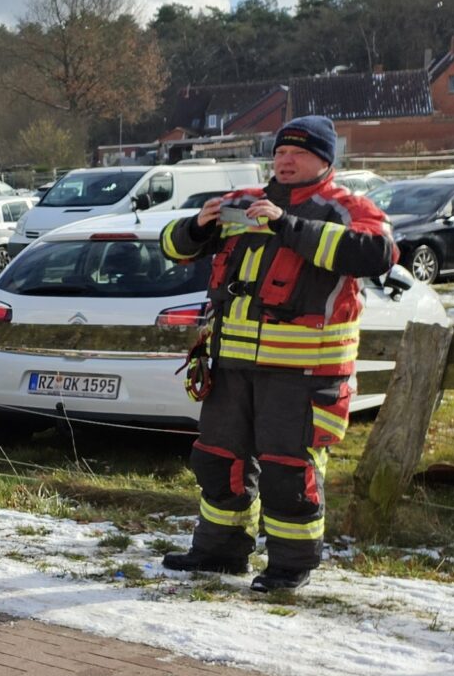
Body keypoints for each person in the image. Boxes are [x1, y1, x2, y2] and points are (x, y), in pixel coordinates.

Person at [157, 115, 396, 592]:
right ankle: (219, 551)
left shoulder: (346, 208)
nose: (285, 161)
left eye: (298, 154)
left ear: (324, 161)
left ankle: (290, 565)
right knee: (217, 460)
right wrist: (196, 227)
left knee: (290, 470)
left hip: (304, 372)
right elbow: (173, 249)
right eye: (280, 153)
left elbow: (379, 253)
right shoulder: (240, 204)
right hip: (230, 369)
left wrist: (288, 225)